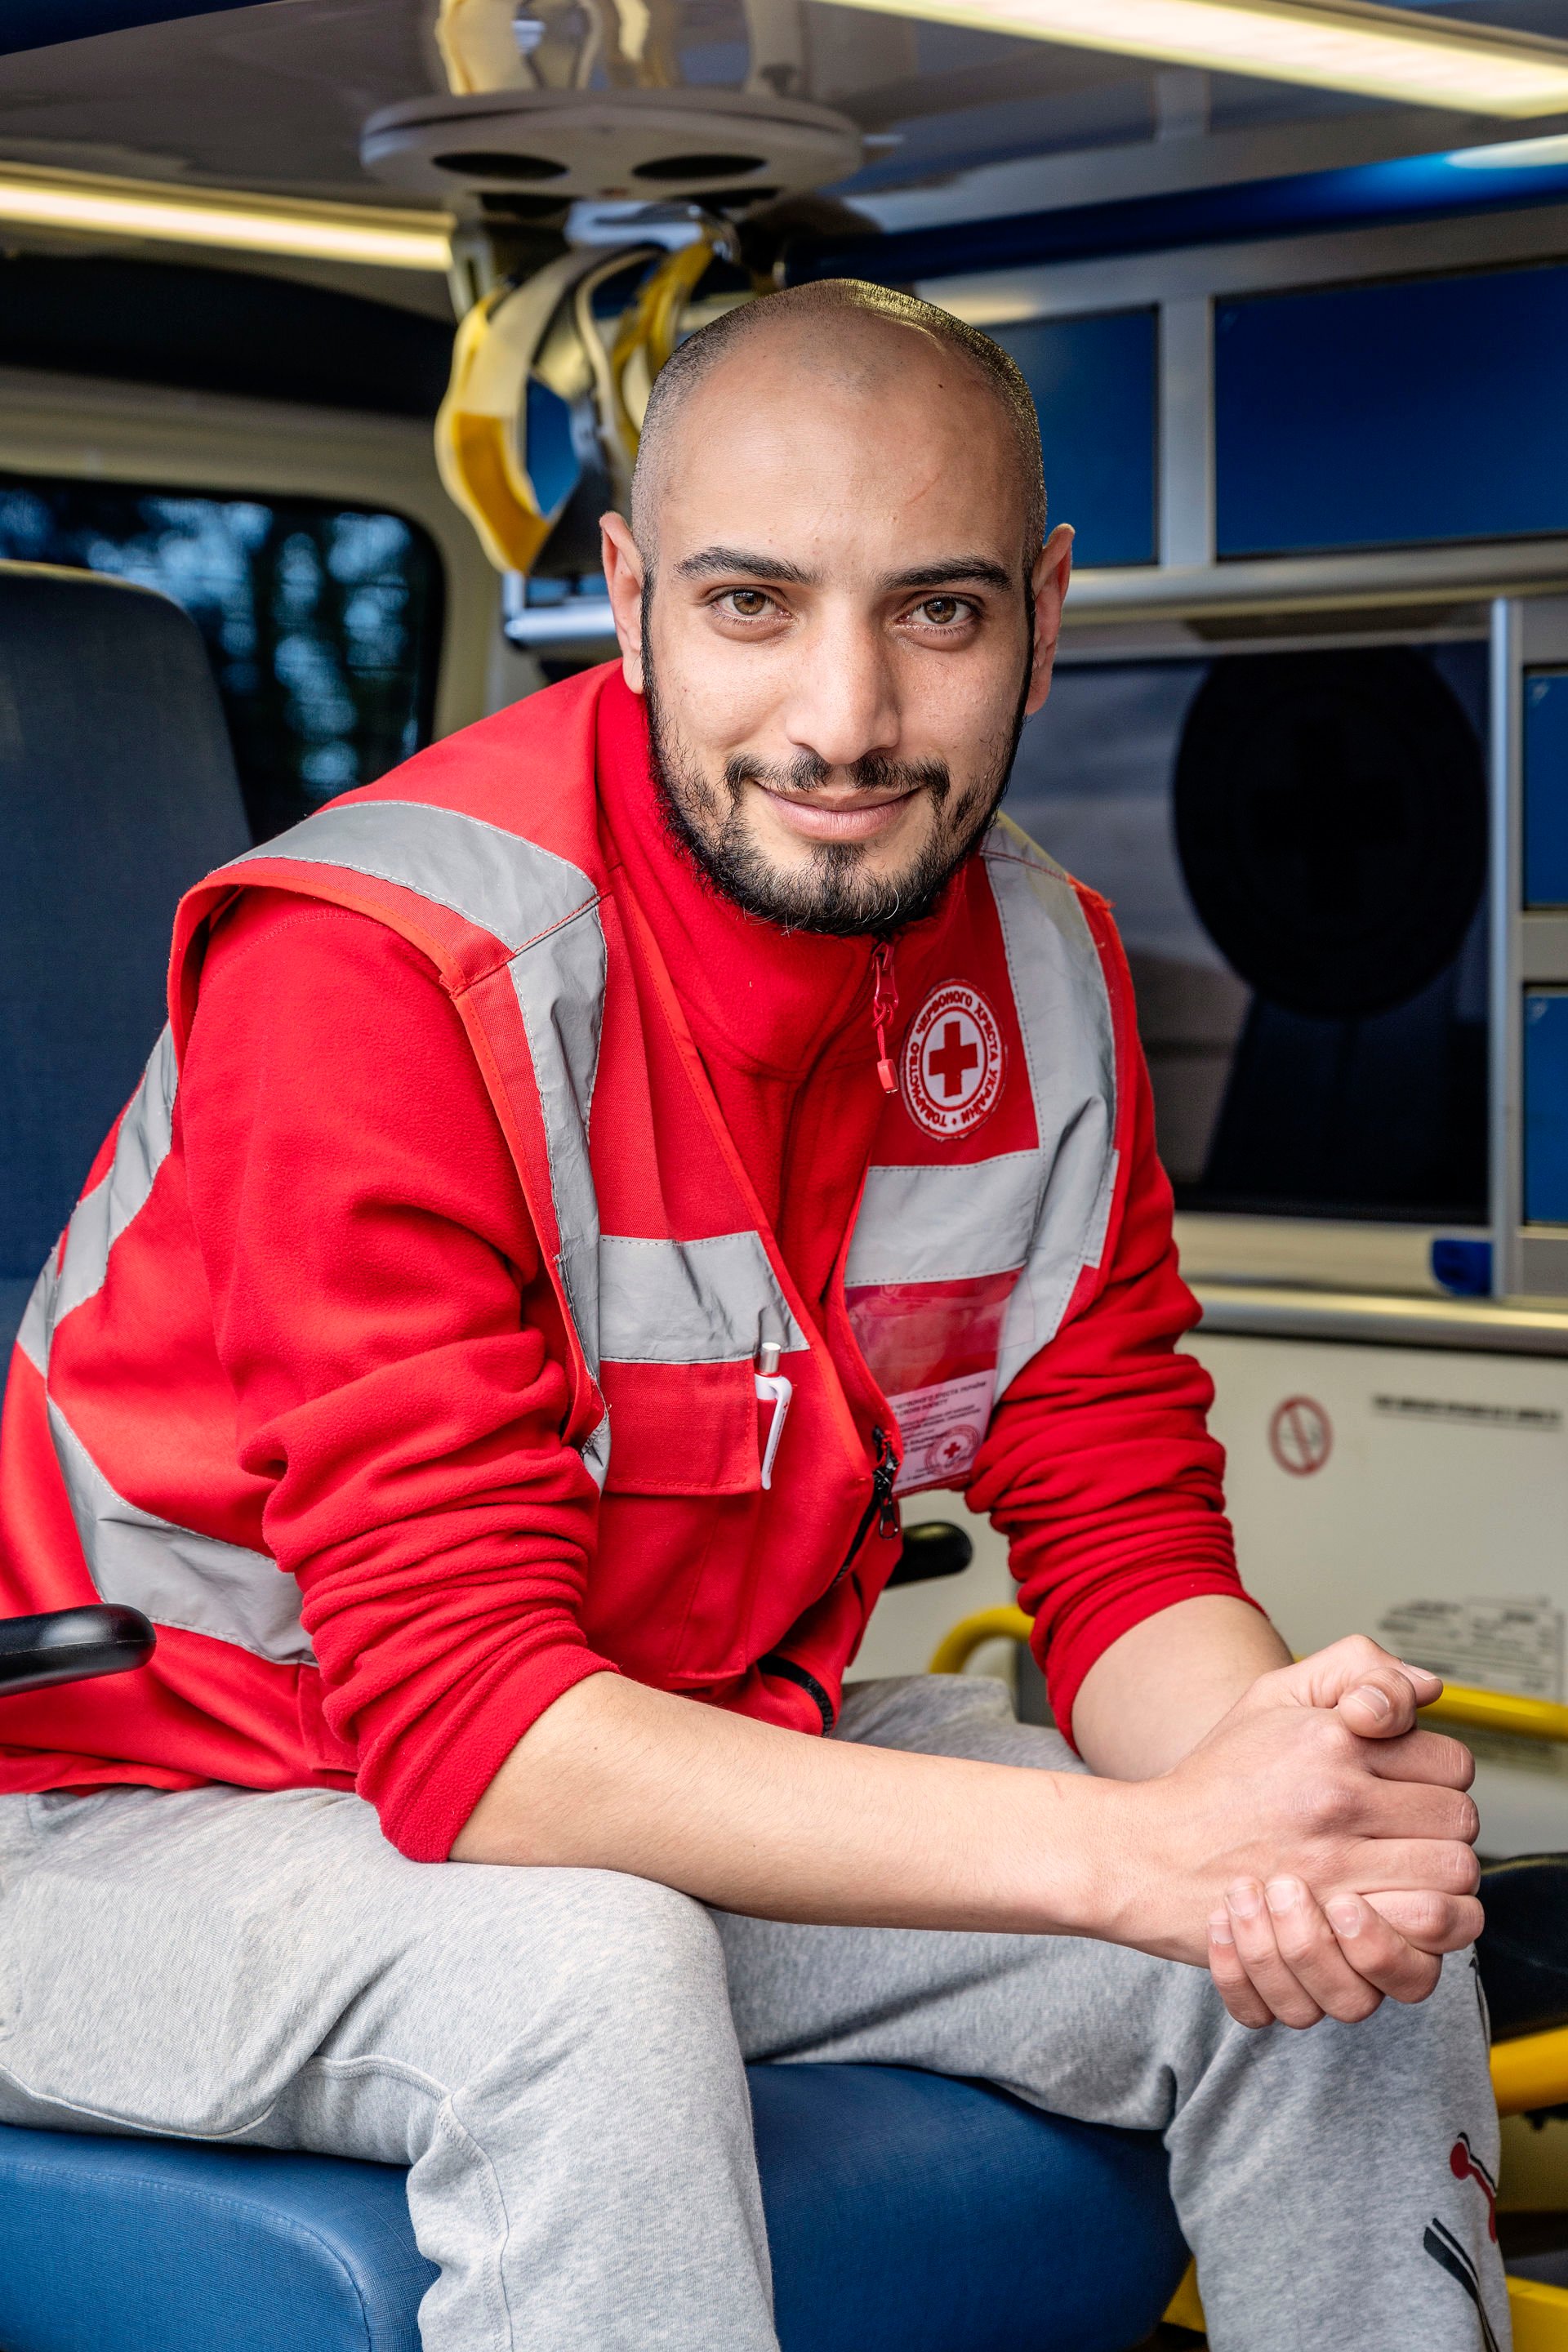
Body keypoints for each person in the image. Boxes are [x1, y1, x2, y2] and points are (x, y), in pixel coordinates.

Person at [0, 279, 1504, 2352]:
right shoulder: (386, 967)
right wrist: (1130, 1857)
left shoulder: (1044, 976)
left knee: (1324, 1940)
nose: (845, 718)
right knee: (578, 1970)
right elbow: (478, 1747)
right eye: (751, 604)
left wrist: (1264, 1790)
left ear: (1046, 616)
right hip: (124, 1831)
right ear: (624, 597)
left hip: (657, 1775)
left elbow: (1123, 1531)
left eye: (941, 614)